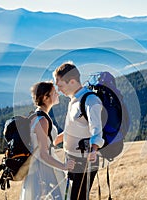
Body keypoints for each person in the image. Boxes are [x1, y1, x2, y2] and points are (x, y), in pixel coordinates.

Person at [53, 62, 105, 200]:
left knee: (78, 197)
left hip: (85, 159)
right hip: (72, 158)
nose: (59, 90)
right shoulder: (74, 100)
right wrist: (53, 141)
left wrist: (93, 150)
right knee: (72, 196)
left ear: (72, 81)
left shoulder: (91, 100)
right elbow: (73, 129)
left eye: (61, 86)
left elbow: (97, 130)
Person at [20, 81, 75, 200]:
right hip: (45, 169)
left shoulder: (35, 116)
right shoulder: (42, 120)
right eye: (54, 92)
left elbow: (50, 142)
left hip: (39, 168)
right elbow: (43, 154)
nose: (58, 94)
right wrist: (64, 166)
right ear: (45, 98)